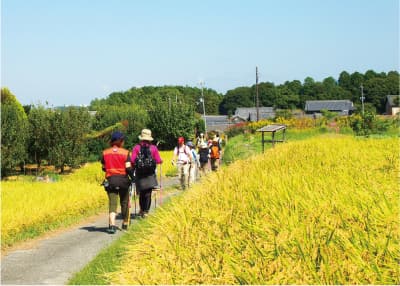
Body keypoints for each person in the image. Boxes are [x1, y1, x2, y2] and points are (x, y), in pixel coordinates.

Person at [101, 131, 134, 234]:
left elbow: (103, 168)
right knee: (124, 202)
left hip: (110, 181)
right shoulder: (125, 152)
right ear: (121, 141)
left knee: (112, 203)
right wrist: (133, 177)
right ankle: (125, 223)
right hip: (123, 181)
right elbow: (128, 168)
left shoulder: (105, 153)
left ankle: (112, 225)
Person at [131, 129, 162, 218]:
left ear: (141, 138)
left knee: (141, 193)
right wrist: (160, 161)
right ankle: (146, 212)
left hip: (140, 174)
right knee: (148, 193)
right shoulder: (154, 148)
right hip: (150, 174)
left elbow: (132, 160)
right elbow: (158, 160)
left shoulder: (136, 147)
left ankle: (141, 210)